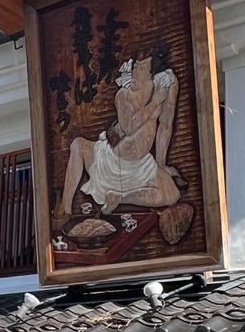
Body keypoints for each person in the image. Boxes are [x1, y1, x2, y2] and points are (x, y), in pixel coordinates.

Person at [54, 53, 180, 227]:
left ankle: (119, 198)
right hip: (111, 161)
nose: (135, 70)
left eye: (141, 68)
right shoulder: (123, 95)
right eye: (135, 66)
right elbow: (128, 127)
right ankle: (65, 209)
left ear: (152, 75)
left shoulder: (164, 85)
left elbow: (165, 126)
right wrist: (154, 103)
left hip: (141, 165)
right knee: (77, 145)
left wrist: (161, 163)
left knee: (172, 194)